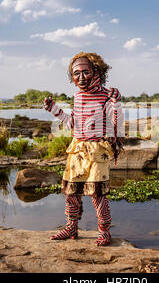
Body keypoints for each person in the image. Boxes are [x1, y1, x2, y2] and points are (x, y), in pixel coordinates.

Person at [43, 52, 124, 246]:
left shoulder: (108, 95)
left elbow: (117, 123)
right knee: (72, 192)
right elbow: (73, 123)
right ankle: (72, 227)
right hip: (78, 149)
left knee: (97, 194)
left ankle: (104, 231)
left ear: (97, 71)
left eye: (85, 72)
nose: (80, 77)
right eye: (75, 73)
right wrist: (55, 110)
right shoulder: (78, 96)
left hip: (98, 150)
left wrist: (117, 103)